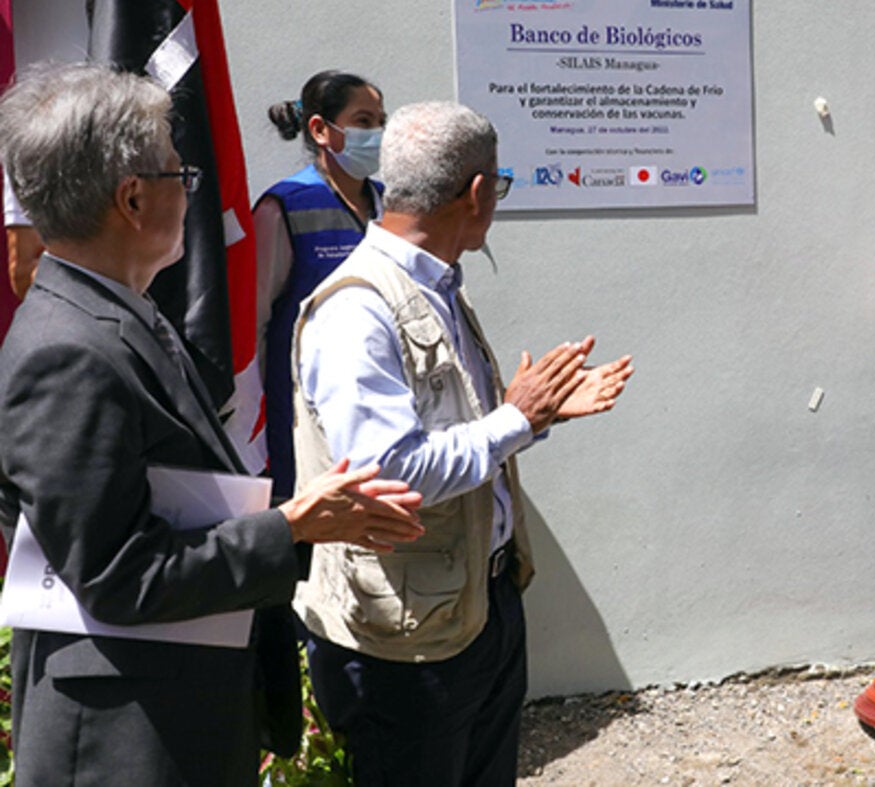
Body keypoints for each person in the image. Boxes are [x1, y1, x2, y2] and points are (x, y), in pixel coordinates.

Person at [0, 62, 427, 787]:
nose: (192, 192)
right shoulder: (70, 349)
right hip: (123, 739)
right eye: (181, 174)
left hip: (167, 707)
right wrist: (292, 526)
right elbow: (116, 575)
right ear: (133, 198)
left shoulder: (116, 313)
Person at [292, 99, 634, 785]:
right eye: (498, 185)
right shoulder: (358, 310)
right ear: (476, 192)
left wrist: (537, 416)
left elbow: (456, 433)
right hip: (405, 641)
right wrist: (516, 418)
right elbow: (390, 475)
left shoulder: (438, 284)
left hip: (476, 602)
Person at [255, 69, 387, 500]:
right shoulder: (285, 207)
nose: (377, 134)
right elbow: (253, 323)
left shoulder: (391, 204)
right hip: (302, 409)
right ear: (320, 129)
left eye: (381, 121)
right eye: (363, 121)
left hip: (380, 401)